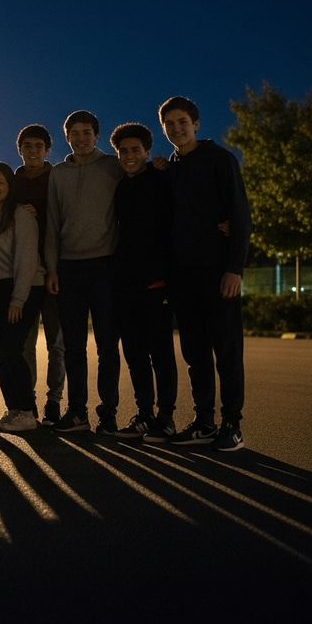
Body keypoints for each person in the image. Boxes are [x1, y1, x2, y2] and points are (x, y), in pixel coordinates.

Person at [159, 96, 251, 451]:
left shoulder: (220, 159)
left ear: (196, 124)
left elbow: (240, 217)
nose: (177, 129)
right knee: (195, 354)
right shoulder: (171, 167)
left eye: (182, 122)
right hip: (184, 276)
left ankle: (232, 423)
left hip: (218, 273)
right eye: (169, 124)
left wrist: (234, 269)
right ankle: (204, 421)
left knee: (227, 351)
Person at [44, 110, 123, 434]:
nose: (81, 138)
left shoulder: (113, 167)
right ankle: (77, 411)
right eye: (74, 133)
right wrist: (52, 268)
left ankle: (108, 412)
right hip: (69, 267)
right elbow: (52, 224)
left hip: (105, 265)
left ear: (96, 135)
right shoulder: (58, 174)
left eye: (87, 132)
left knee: (107, 345)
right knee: (73, 346)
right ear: (67, 137)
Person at [108, 122, 178, 442]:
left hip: (156, 283)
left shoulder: (162, 178)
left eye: (136, 150)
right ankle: (144, 414)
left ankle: (166, 418)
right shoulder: (121, 186)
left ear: (148, 152)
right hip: (125, 284)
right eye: (123, 151)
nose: (129, 155)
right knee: (134, 354)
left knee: (160, 353)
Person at [0, 163, 46, 433]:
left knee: (11, 348)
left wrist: (18, 299)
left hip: (25, 286)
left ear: (10, 186)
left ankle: (28, 412)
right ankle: (14, 411)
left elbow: (27, 259)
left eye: (1, 183)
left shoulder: (21, 215)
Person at [15, 124, 66, 425]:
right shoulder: (14, 181)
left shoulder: (57, 178)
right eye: (27, 145)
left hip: (55, 271)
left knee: (57, 344)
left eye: (38, 145)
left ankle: (54, 402)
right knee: (25, 344)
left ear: (47, 150)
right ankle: (28, 401)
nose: (33, 150)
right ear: (19, 149)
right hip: (25, 273)